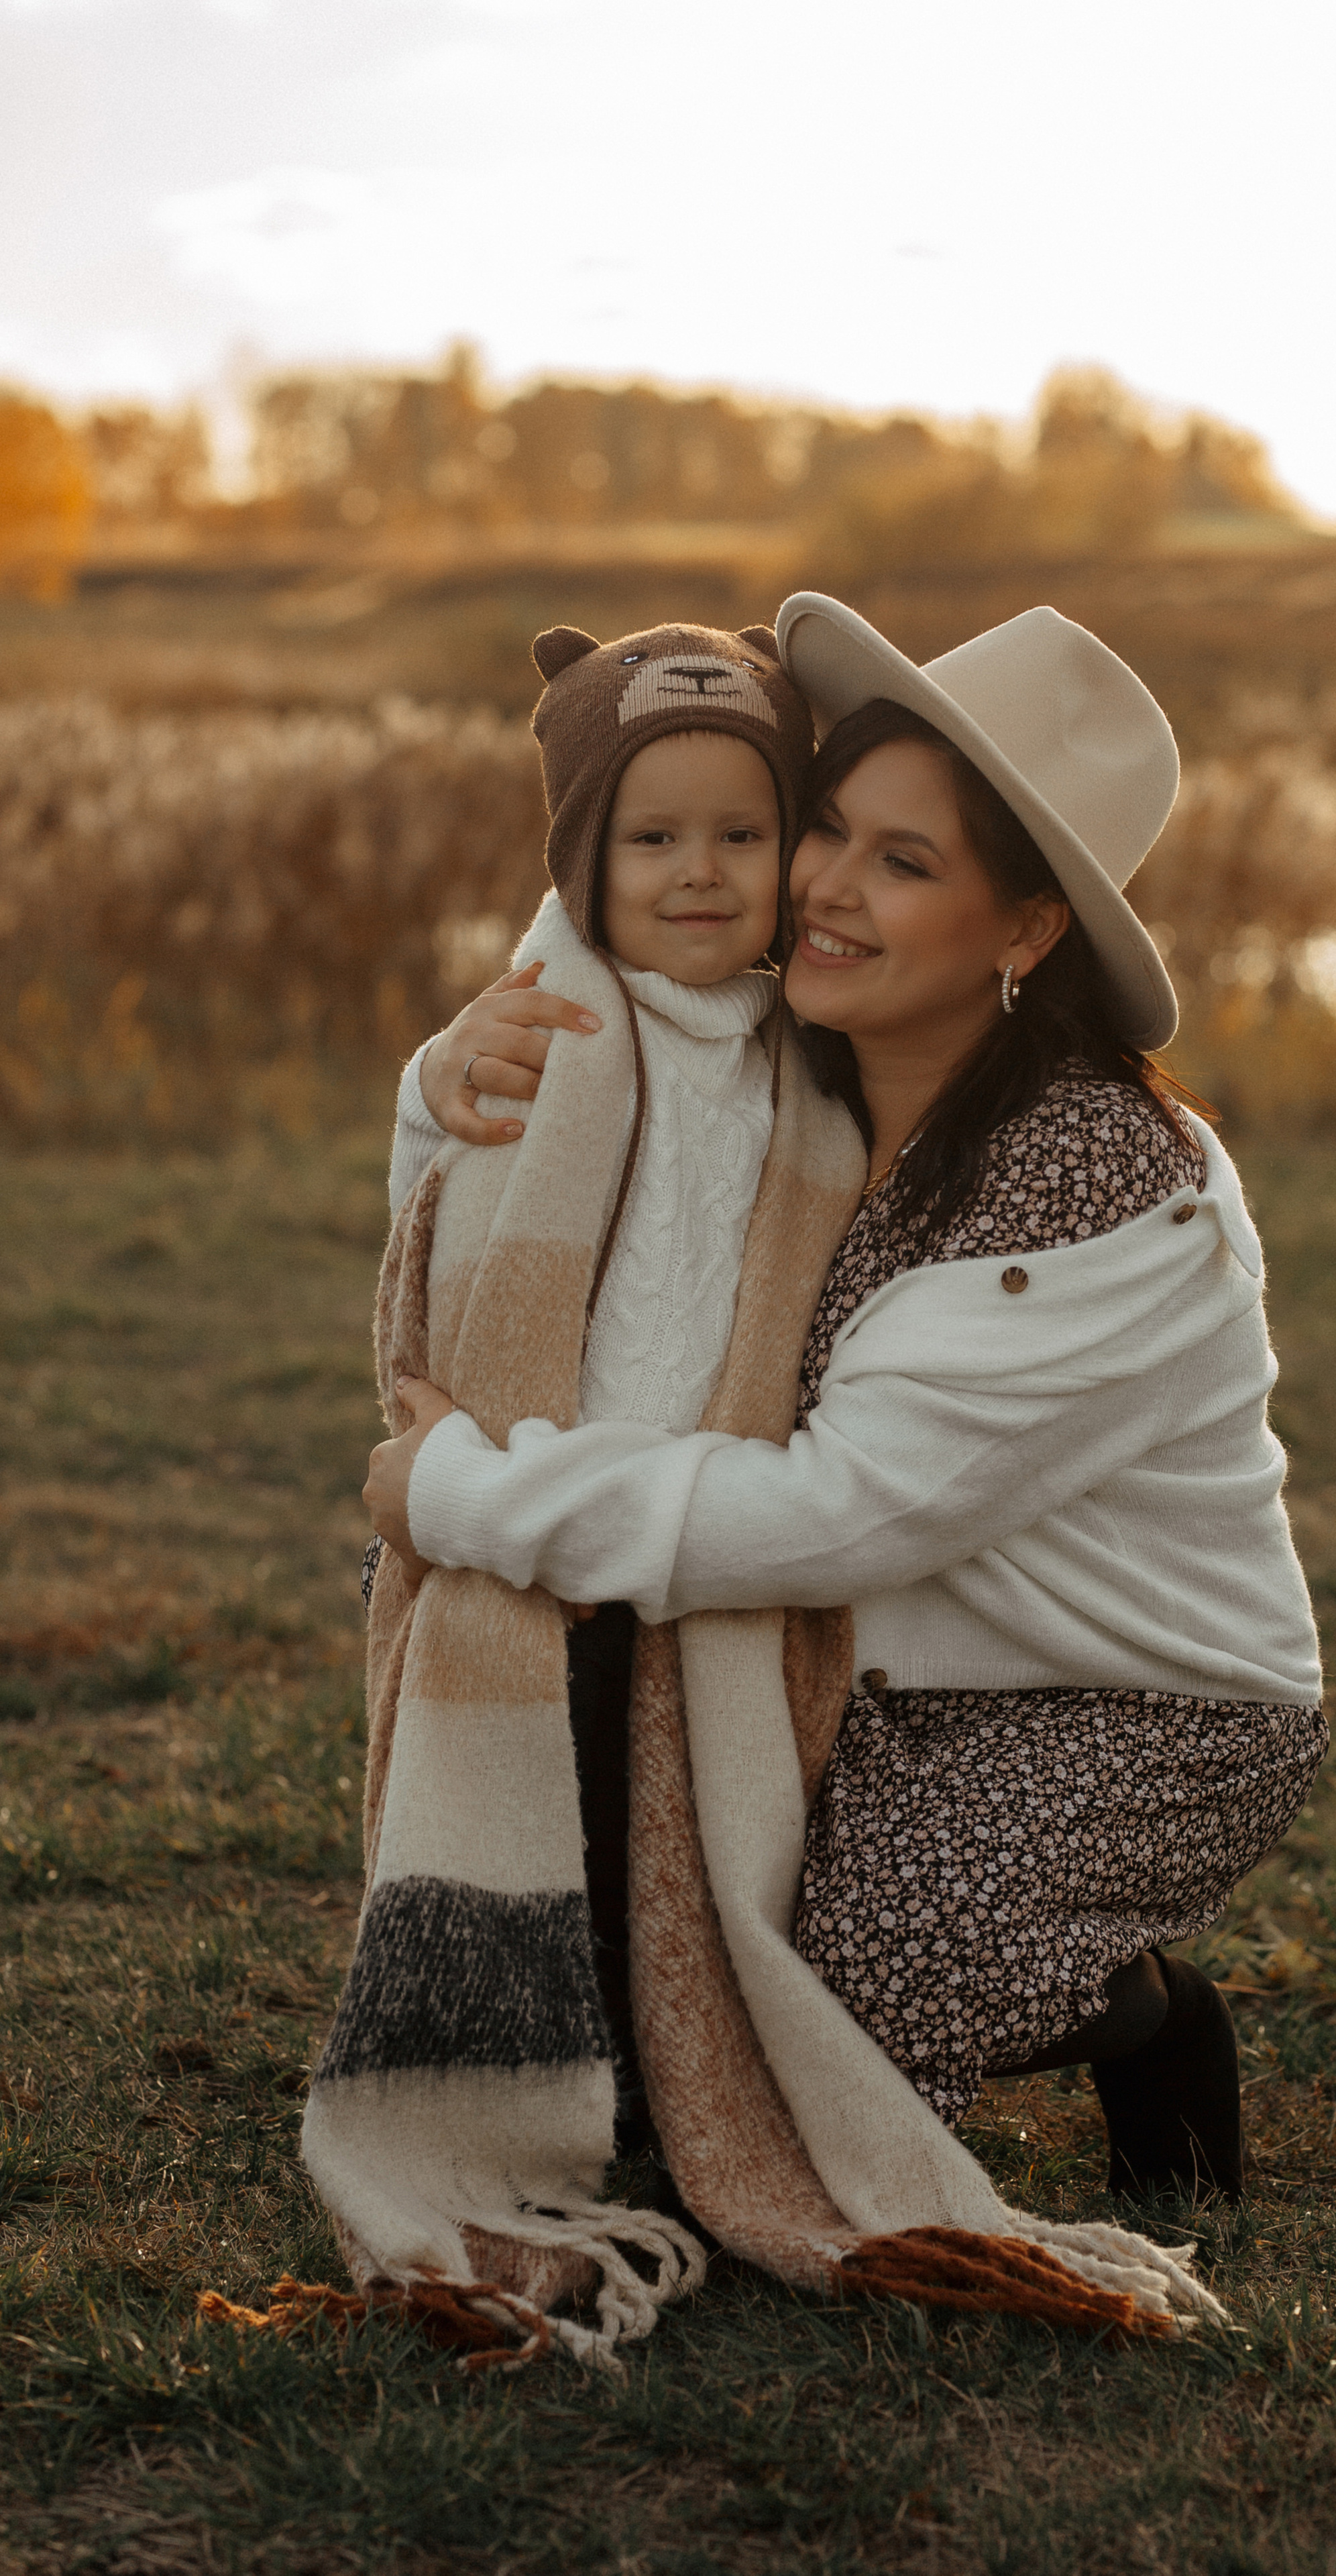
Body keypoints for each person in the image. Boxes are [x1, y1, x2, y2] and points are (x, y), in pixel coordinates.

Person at [368, 594, 1327, 2204]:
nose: (819, 886)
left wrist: (463, 1495)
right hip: (857, 1664)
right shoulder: (785, 1071)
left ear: (1024, 932)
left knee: (843, 1985)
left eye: (906, 864)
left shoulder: (1095, 1178)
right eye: (827, 830)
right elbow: (521, 1204)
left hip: (1132, 1697)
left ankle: (1147, 2018)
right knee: (675, 1933)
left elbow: (834, 1512)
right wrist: (447, 1073)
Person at [374, 612, 815, 2138]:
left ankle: (677, 2059)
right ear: (582, 859)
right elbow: (434, 1208)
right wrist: (436, 1082)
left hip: (703, 1504)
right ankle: (531, 2052)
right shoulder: (544, 1020)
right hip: (534, 1482)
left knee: (688, 1819)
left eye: (742, 833)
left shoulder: (801, 1052)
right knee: (550, 1796)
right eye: (653, 837)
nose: (699, 870)